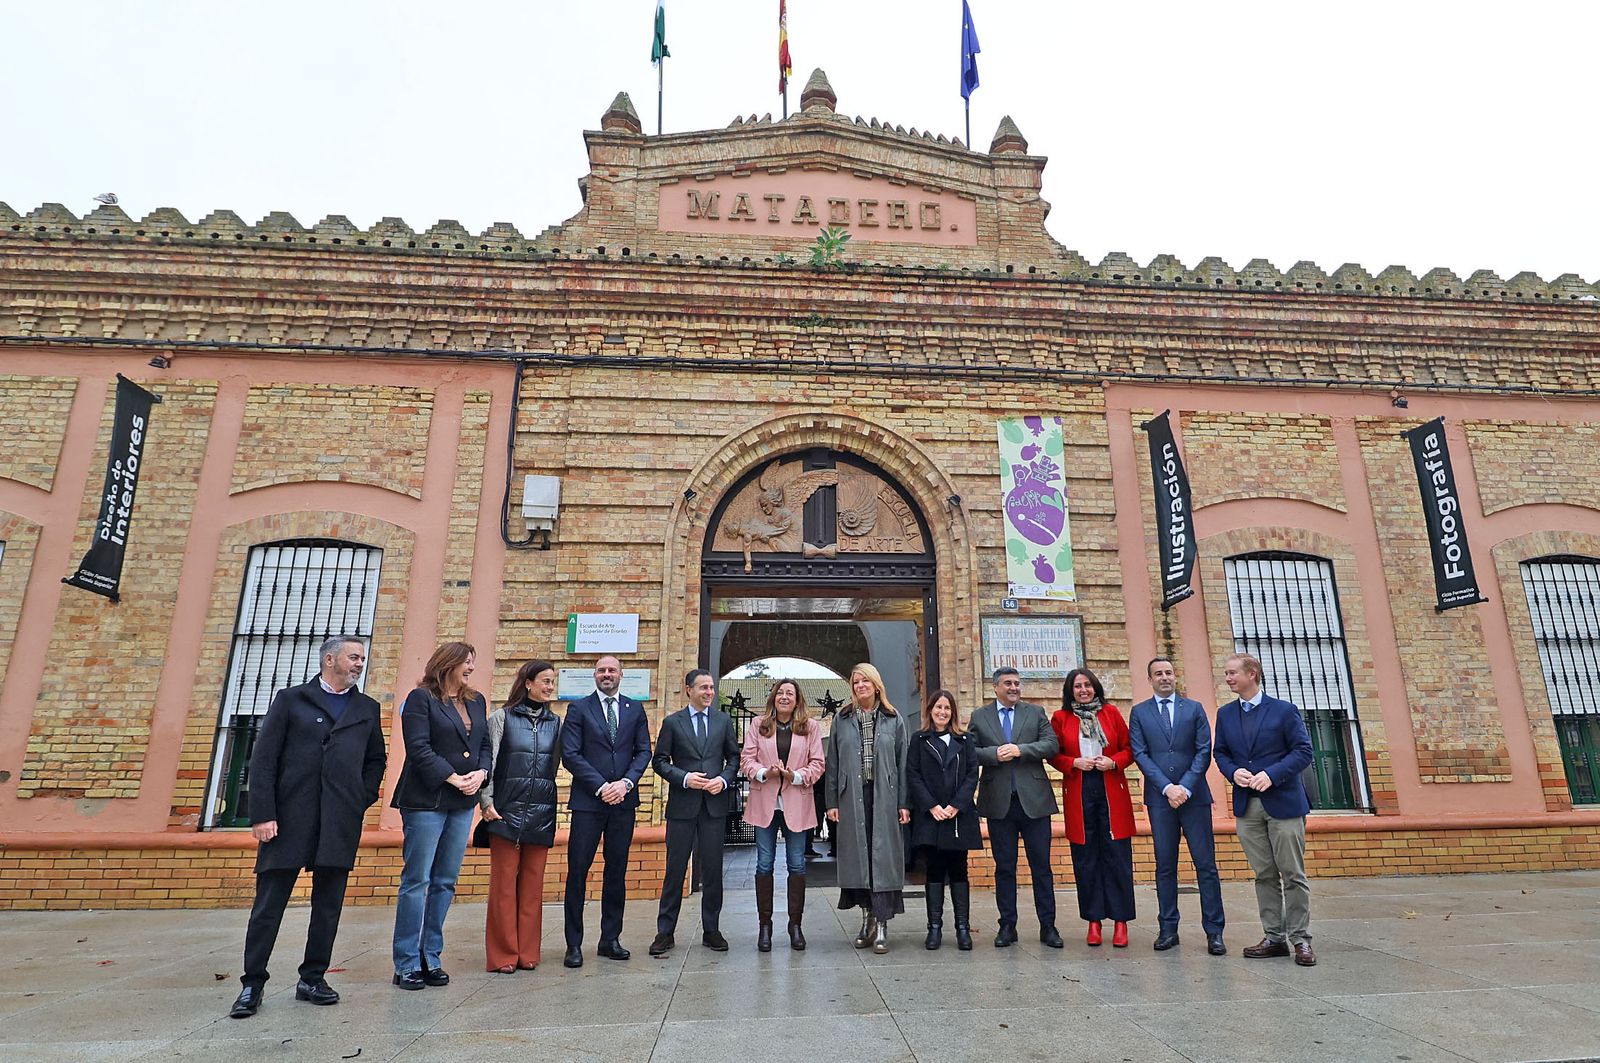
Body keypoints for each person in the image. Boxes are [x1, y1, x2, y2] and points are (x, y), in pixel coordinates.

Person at [229, 636, 386, 1019]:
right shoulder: (291, 700)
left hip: (338, 821)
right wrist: (262, 814)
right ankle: (252, 983)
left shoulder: (366, 708)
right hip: (287, 820)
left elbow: (376, 760)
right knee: (269, 906)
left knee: (328, 906)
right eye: (353, 657)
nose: (359, 663)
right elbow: (264, 760)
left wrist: (359, 798)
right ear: (329, 659)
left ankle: (313, 978)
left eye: (362, 658)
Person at [389, 642, 492, 990]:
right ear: (448, 663)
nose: (471, 668)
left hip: (462, 803)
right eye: (467, 662)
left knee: (445, 881)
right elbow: (418, 748)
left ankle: (429, 956)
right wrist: (452, 777)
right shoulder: (420, 699)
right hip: (425, 801)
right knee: (417, 881)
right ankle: (406, 963)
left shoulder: (476, 701)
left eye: (473, 662)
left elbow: (485, 746)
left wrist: (481, 774)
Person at [1213, 652, 1317, 966]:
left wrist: (1272, 774)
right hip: (1247, 807)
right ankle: (1274, 937)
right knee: (1264, 874)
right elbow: (1221, 753)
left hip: (1284, 803)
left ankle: (1301, 939)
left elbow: (1303, 751)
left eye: (1232, 673)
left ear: (1252, 674)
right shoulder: (1226, 714)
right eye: (1226, 673)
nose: (1228, 678)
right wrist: (1233, 772)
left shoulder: (1284, 711)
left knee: (1293, 874)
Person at [1128, 655, 1226, 955]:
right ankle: (1168, 929)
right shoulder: (1140, 712)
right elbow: (1140, 753)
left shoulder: (1193, 709)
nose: (1165, 677)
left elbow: (1203, 750)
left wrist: (1184, 786)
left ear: (1175, 676)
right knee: (1165, 866)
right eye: (1158, 673)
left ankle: (1214, 932)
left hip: (1194, 798)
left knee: (1205, 865)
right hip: (1160, 800)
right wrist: (1167, 787)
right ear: (1150, 680)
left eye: (1169, 672)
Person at [561, 655, 652, 968]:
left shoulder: (634, 709)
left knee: (616, 871)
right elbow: (570, 754)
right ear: (594, 675)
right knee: (578, 871)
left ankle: (610, 939)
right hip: (588, 803)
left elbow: (643, 751)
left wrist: (625, 784)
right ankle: (574, 944)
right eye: (601, 670)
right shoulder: (578, 709)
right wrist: (601, 786)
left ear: (621, 675)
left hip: (623, 803)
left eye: (612, 670)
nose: (607, 674)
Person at [479, 659, 563, 973]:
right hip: (505, 812)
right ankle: (503, 955)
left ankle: (527, 952)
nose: (550, 686)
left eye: (552, 681)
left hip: (541, 813)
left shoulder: (556, 723)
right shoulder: (501, 717)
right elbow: (489, 762)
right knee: (503, 887)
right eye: (545, 680)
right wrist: (486, 802)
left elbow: (553, 766)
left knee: (532, 887)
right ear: (528, 683)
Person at [648, 669, 740, 956]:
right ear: (688, 690)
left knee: (713, 870)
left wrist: (723, 779)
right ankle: (665, 932)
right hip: (682, 807)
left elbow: (734, 758)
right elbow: (659, 761)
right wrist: (685, 778)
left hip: (713, 807)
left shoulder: (723, 721)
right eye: (703, 688)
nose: (709, 692)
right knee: (675, 870)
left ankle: (711, 929)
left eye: (712, 687)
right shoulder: (672, 723)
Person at [970, 667, 1062, 948]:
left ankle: (1048, 926)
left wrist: (1021, 750)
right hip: (999, 804)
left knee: (1041, 867)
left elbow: (1051, 745)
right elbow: (969, 752)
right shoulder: (980, 716)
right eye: (1008, 683)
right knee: (1005, 868)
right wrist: (994, 754)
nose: (1014, 688)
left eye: (1017, 683)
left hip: (1034, 802)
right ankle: (1007, 926)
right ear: (995, 687)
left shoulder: (1035, 713)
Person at [825, 662, 912, 954]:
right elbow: (833, 762)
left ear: (876, 685)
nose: (860, 685)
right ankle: (867, 919)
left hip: (884, 796)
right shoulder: (842, 718)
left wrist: (904, 802)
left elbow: (902, 763)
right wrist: (832, 801)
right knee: (859, 861)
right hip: (852, 796)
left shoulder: (893, 718)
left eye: (865, 681)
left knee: (882, 860)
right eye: (855, 682)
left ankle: (883, 923)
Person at [1049, 667, 1137, 948]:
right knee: (1086, 859)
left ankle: (1121, 921)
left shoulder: (1111, 713)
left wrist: (1113, 762)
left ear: (1095, 688)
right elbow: (1053, 754)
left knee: (1117, 857)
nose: (1083, 690)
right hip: (1079, 789)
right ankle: (1094, 921)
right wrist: (1073, 763)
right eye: (1077, 686)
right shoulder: (1061, 718)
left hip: (1110, 787)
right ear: (1070, 691)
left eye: (1087, 685)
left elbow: (1130, 749)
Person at [739, 677, 826, 951]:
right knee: (764, 864)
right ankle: (765, 926)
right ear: (773, 698)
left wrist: (795, 776)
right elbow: (746, 759)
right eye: (780, 692)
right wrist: (765, 772)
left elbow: (818, 763)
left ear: (797, 699)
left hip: (797, 802)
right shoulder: (759, 724)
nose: (784, 697)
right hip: (765, 802)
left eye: (790, 693)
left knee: (797, 864)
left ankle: (795, 925)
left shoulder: (810, 727)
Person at [905, 689, 980, 951]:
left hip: (958, 816)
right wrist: (931, 806)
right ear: (930, 711)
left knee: (959, 870)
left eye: (947, 708)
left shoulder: (965, 739)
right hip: (931, 817)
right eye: (938, 707)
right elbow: (913, 774)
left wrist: (957, 805)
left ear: (953, 712)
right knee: (934, 870)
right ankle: (934, 928)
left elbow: (972, 773)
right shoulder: (919, 739)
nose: (942, 712)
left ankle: (962, 928)